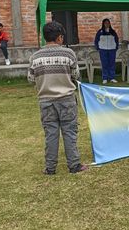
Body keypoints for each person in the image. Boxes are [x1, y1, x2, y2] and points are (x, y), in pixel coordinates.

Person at [27, 21, 88, 175]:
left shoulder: (35, 57)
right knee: (70, 132)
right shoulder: (68, 54)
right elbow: (76, 75)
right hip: (67, 99)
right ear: (60, 37)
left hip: (45, 101)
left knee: (51, 134)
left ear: (45, 37)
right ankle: (74, 165)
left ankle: (50, 168)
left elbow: (31, 78)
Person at [94, 18, 119, 84]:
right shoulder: (100, 32)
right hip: (103, 50)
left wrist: (116, 47)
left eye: (108, 23)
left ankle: (112, 78)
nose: (107, 24)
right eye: (105, 23)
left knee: (112, 64)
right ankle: (105, 78)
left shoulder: (113, 32)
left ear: (110, 24)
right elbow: (96, 40)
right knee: (104, 64)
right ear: (103, 24)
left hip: (112, 50)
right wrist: (98, 48)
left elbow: (116, 40)